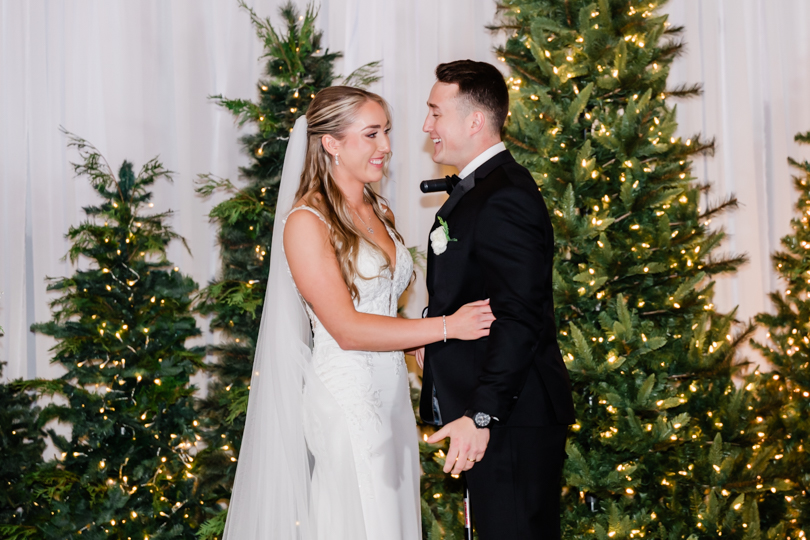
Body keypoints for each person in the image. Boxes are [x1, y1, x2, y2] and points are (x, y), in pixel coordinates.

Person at [222, 86, 495, 540]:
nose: (386, 146)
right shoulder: (306, 222)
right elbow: (346, 329)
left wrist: (416, 344)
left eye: (386, 132)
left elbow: (380, 307)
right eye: (371, 134)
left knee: (392, 520)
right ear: (330, 142)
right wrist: (447, 328)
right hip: (347, 399)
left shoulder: (379, 209)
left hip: (392, 395)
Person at [417, 60, 576, 539]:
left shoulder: (506, 196)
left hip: (510, 418)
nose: (427, 126)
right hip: (497, 415)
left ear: (474, 121)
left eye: (435, 113)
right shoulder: (484, 189)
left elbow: (520, 317)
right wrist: (433, 331)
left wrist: (481, 415)